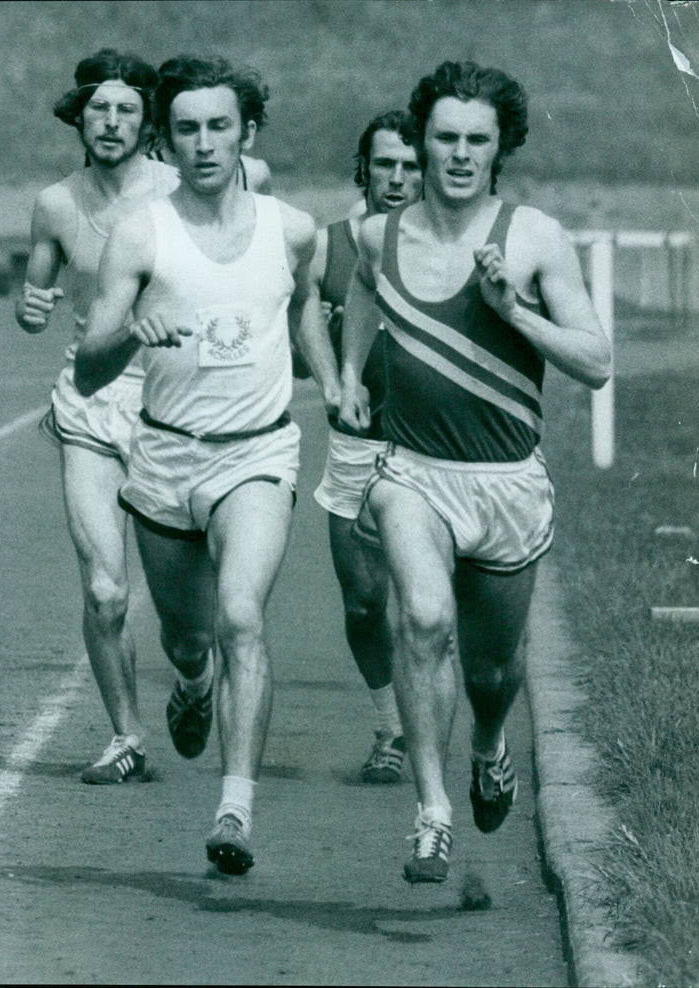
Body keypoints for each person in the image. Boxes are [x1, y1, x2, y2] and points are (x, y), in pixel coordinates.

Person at [339, 60, 611, 884]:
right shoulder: (376, 234)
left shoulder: (533, 237)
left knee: (494, 670)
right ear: (421, 142)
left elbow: (596, 361)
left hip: (506, 484)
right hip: (412, 473)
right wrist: (351, 374)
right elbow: (360, 288)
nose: (458, 155)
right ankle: (431, 814)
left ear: (501, 149)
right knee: (420, 619)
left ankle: (490, 750)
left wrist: (514, 313)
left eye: (476, 141)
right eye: (444, 138)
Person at [74, 55, 317, 877]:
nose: (204, 143)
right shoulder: (140, 235)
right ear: (163, 139)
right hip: (166, 457)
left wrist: (334, 370)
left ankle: (234, 810)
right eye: (185, 128)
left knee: (241, 614)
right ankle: (193, 678)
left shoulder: (292, 227)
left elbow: (306, 296)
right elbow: (87, 371)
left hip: (257, 453)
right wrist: (124, 339)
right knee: (188, 637)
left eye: (219, 126)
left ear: (247, 132)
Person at [14, 50, 272, 787]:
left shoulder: (182, 188)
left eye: (128, 110)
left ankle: (192, 681)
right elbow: (37, 297)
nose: (113, 121)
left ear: (147, 123)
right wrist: (32, 310)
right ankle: (126, 736)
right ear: (80, 117)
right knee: (104, 587)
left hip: (174, 405)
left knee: (190, 634)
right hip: (92, 398)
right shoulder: (55, 204)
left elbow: (258, 205)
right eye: (101, 109)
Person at [302, 112, 422, 783]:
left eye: (409, 165)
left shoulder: (442, 243)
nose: (398, 178)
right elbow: (301, 316)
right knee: (364, 603)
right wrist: (328, 377)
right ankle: (390, 727)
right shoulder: (331, 244)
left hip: (434, 448)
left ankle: (422, 735)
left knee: (428, 604)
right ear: (364, 168)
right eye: (385, 165)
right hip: (357, 445)